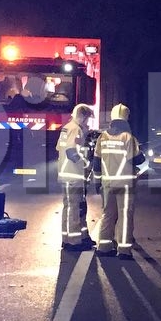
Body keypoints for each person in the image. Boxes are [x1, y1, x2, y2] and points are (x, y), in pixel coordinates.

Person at [96, 103, 146, 258]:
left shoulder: (102, 137)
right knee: (125, 215)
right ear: (126, 119)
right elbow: (138, 160)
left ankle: (104, 247)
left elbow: (96, 162)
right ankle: (123, 250)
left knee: (108, 215)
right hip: (125, 184)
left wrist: (97, 183)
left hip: (107, 183)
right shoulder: (128, 138)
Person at [55, 103, 94, 250]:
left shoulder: (67, 128)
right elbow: (71, 152)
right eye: (87, 119)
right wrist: (87, 164)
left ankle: (69, 238)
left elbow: (59, 147)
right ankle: (73, 242)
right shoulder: (75, 129)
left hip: (66, 175)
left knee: (69, 207)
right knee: (74, 208)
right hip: (74, 175)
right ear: (82, 116)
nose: (87, 122)